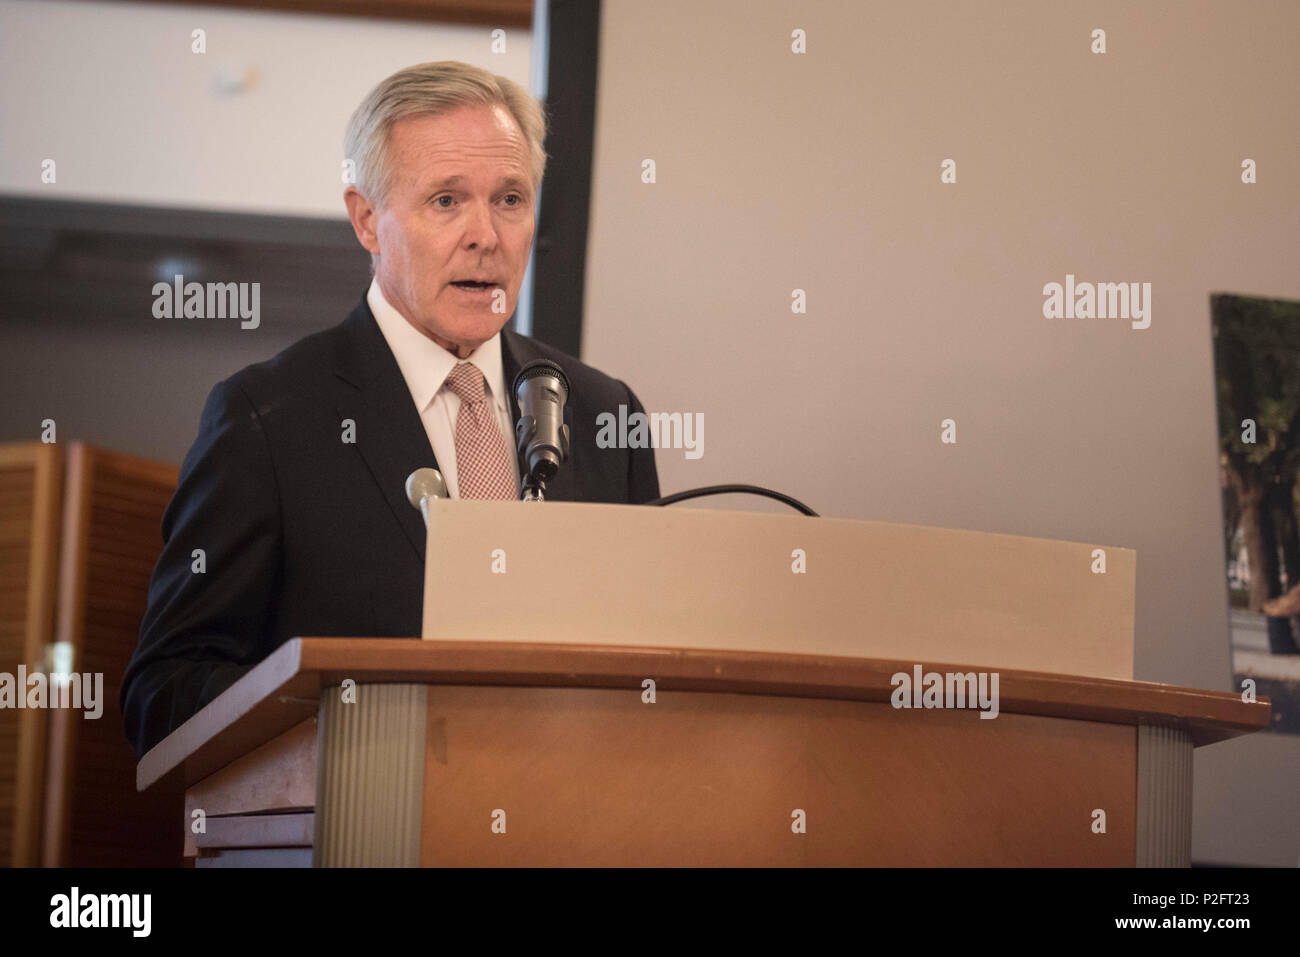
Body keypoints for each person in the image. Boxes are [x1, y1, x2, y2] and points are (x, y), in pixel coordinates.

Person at [120, 61, 660, 756]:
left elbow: (653, 669)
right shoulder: (267, 420)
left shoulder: (604, 413)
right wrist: (352, 720)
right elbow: (163, 689)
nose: (486, 236)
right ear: (367, 220)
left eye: (510, 199)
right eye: (445, 201)